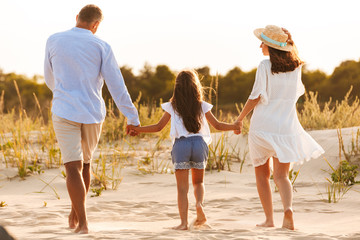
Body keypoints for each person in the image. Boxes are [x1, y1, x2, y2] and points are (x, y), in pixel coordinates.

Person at [44, 4, 140, 234]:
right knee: (85, 164)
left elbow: (49, 76)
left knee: (72, 167)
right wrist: (132, 116)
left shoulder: (54, 39)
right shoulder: (101, 45)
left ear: (77, 17)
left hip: (64, 110)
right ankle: (77, 215)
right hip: (92, 113)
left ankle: (81, 220)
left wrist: (62, 94)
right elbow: (117, 85)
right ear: (96, 25)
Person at [234, 25, 324, 230]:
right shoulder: (296, 68)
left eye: (263, 42)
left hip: (263, 127)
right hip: (286, 128)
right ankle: (288, 210)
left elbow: (256, 96)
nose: (260, 46)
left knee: (262, 175)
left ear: (272, 46)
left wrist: (239, 118)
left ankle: (269, 219)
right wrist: (289, 39)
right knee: (282, 176)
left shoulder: (264, 66)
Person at [128, 70, 240, 230]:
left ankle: (183, 223)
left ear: (177, 88)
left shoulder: (172, 106)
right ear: (196, 87)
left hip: (181, 145)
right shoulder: (202, 105)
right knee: (199, 182)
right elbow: (217, 125)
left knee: (182, 188)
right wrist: (235, 126)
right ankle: (199, 205)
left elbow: (158, 127)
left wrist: (138, 129)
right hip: (199, 144)